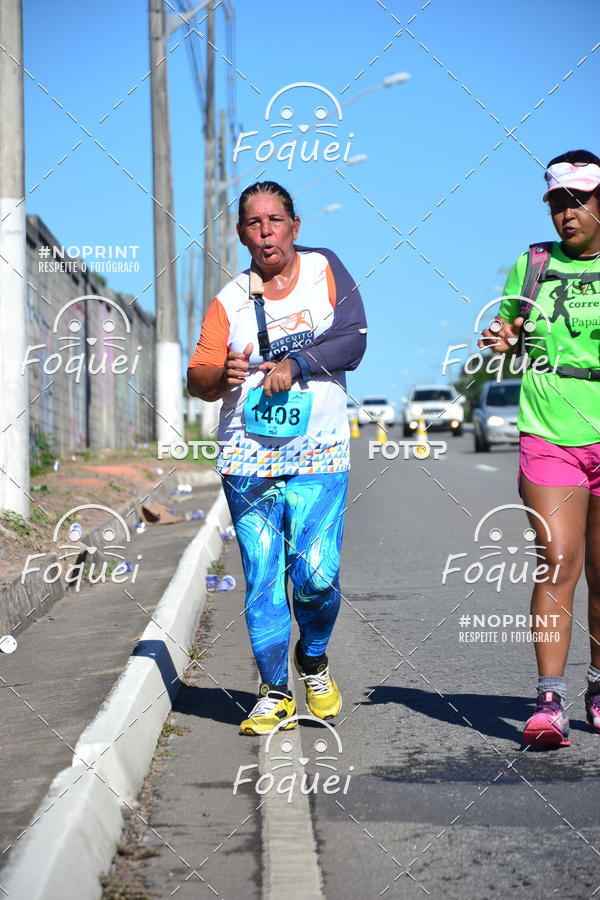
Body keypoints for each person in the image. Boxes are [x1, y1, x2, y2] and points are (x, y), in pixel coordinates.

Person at [187, 181, 367, 735]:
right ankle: (274, 693)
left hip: (319, 453)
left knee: (316, 575)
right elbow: (198, 377)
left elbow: (354, 341)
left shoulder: (325, 270)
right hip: (248, 456)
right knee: (263, 577)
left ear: (295, 225)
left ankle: (312, 659)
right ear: (241, 234)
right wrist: (223, 375)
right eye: (253, 223)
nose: (265, 231)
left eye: (275, 220)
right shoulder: (229, 299)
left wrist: (300, 364)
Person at [479, 150, 600, 747]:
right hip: (549, 430)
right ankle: (549, 700)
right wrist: (501, 338)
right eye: (557, 203)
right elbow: (507, 338)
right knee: (559, 559)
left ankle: (597, 687)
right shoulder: (531, 266)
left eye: (577, 200)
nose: (567, 214)